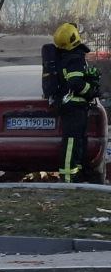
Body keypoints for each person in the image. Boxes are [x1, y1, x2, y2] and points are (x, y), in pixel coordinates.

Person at [42, 23, 99, 182]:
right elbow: (76, 83)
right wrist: (91, 90)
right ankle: (68, 176)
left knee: (78, 140)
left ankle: (77, 172)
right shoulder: (75, 58)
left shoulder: (67, 57)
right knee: (72, 141)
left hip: (73, 106)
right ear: (74, 37)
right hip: (73, 107)